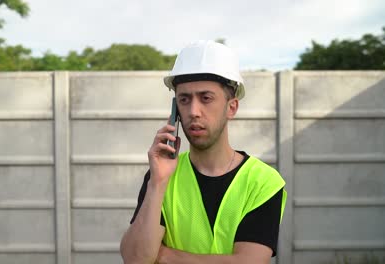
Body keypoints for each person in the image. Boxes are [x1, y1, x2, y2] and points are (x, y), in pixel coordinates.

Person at [120, 40, 287, 264]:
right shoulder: (161, 176)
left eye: (206, 98)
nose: (193, 111)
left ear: (231, 107)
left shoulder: (263, 181)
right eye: (184, 99)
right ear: (175, 110)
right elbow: (135, 259)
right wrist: (158, 183)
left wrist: (163, 256)